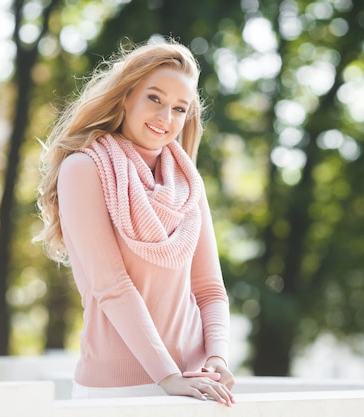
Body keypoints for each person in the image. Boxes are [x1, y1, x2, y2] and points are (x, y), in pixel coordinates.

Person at [34, 38, 235, 406]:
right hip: (117, 389)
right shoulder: (84, 169)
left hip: (193, 387)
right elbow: (111, 286)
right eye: (154, 99)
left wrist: (217, 357)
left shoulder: (189, 183)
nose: (165, 118)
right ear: (126, 96)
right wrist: (167, 376)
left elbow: (209, 290)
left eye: (179, 108)